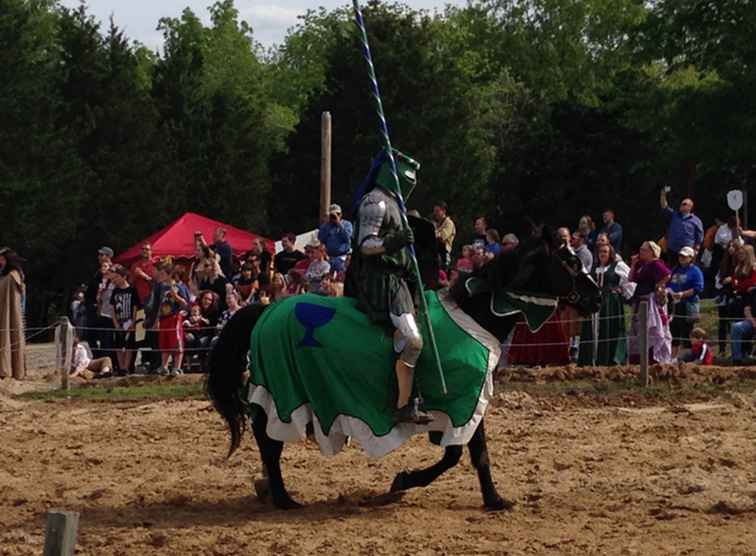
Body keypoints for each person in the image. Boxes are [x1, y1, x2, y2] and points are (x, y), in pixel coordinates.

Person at [348, 148, 431, 424]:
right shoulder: (375, 202)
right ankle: (403, 405)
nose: (411, 181)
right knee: (412, 340)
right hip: (380, 280)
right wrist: (392, 243)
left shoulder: (397, 204)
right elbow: (364, 244)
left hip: (399, 280)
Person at [578, 244, 635, 366]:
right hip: (594, 303)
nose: (602, 254)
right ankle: (590, 360)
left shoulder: (618, 266)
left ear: (611, 254)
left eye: (605, 251)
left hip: (610, 304)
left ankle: (608, 360)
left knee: (609, 329)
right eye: (600, 252)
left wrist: (621, 291)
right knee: (591, 331)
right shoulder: (594, 268)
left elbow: (630, 282)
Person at [628, 241, 673, 364]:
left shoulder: (655, 263)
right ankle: (638, 359)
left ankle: (652, 358)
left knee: (650, 329)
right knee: (638, 329)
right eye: (641, 249)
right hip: (639, 298)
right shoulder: (641, 264)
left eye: (644, 250)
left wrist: (658, 286)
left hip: (649, 300)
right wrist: (633, 264)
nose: (641, 252)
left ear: (651, 252)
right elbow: (631, 278)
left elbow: (667, 275)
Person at [667, 246, 704, 358]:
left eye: (684, 256)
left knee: (687, 332)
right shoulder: (675, 269)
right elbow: (668, 283)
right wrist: (669, 291)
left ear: (691, 258)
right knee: (674, 331)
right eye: (680, 256)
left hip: (688, 305)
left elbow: (698, 288)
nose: (681, 258)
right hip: (675, 305)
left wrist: (682, 294)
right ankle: (673, 359)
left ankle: (688, 358)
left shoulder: (695, 271)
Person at [0, 248, 26, 379]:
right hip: (8, 313)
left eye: (2, 259)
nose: (0, 262)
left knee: (10, 336)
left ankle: (7, 371)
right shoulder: (13, 275)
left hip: (10, 314)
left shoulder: (11, 277)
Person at [109, 266, 140, 375]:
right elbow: (112, 308)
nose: (115, 279)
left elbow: (136, 307)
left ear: (124, 277)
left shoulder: (132, 290)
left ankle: (126, 367)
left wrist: (133, 321)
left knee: (129, 346)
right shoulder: (115, 291)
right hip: (119, 321)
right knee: (118, 346)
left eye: (117, 277)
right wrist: (115, 323)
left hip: (129, 321)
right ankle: (121, 366)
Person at [659, 189, 704, 262]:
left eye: (684, 204)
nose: (681, 205)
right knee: (672, 271)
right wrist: (663, 195)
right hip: (672, 250)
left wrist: (696, 250)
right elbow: (664, 206)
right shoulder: (674, 215)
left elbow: (699, 238)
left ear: (690, 207)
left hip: (687, 253)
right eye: (681, 203)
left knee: (685, 271)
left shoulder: (696, 221)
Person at [84, 246, 113, 354]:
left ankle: (106, 359)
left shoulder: (113, 270)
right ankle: (97, 358)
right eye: (99, 255)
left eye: (102, 255)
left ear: (108, 257)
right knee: (90, 335)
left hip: (104, 308)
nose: (99, 257)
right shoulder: (97, 271)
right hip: (92, 306)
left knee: (104, 336)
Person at [318, 204, 353, 274]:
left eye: (337, 214)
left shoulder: (347, 224)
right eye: (333, 214)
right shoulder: (326, 226)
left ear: (341, 214)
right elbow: (321, 238)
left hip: (342, 257)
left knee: (340, 276)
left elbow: (348, 238)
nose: (335, 216)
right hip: (329, 257)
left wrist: (339, 224)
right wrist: (326, 224)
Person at [731, 285, 756, 365]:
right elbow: (746, 310)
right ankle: (737, 359)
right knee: (736, 327)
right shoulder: (753, 292)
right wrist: (753, 322)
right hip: (752, 321)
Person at [432, 201, 456, 272]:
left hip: (443, 254)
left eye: (437, 211)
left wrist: (433, 232)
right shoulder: (436, 224)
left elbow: (442, 237)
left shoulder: (449, 223)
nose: (435, 213)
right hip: (434, 251)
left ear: (444, 211)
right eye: (434, 211)